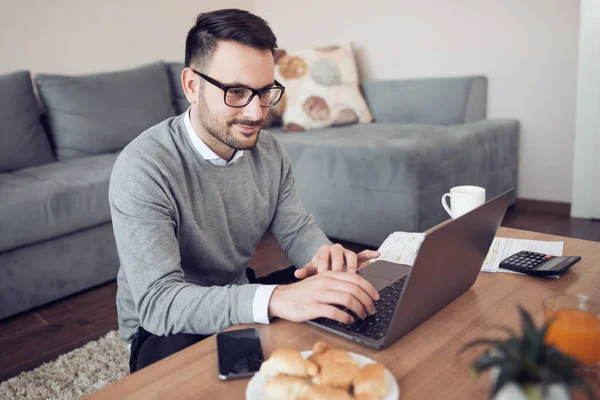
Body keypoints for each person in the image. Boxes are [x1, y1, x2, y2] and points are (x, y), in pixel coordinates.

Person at [109, 8, 381, 374]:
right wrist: (277, 298)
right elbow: (160, 304)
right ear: (192, 85)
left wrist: (326, 261)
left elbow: (298, 230)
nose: (256, 113)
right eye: (236, 92)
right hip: (163, 326)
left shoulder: (269, 152)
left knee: (338, 298)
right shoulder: (143, 167)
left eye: (265, 91)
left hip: (234, 292)